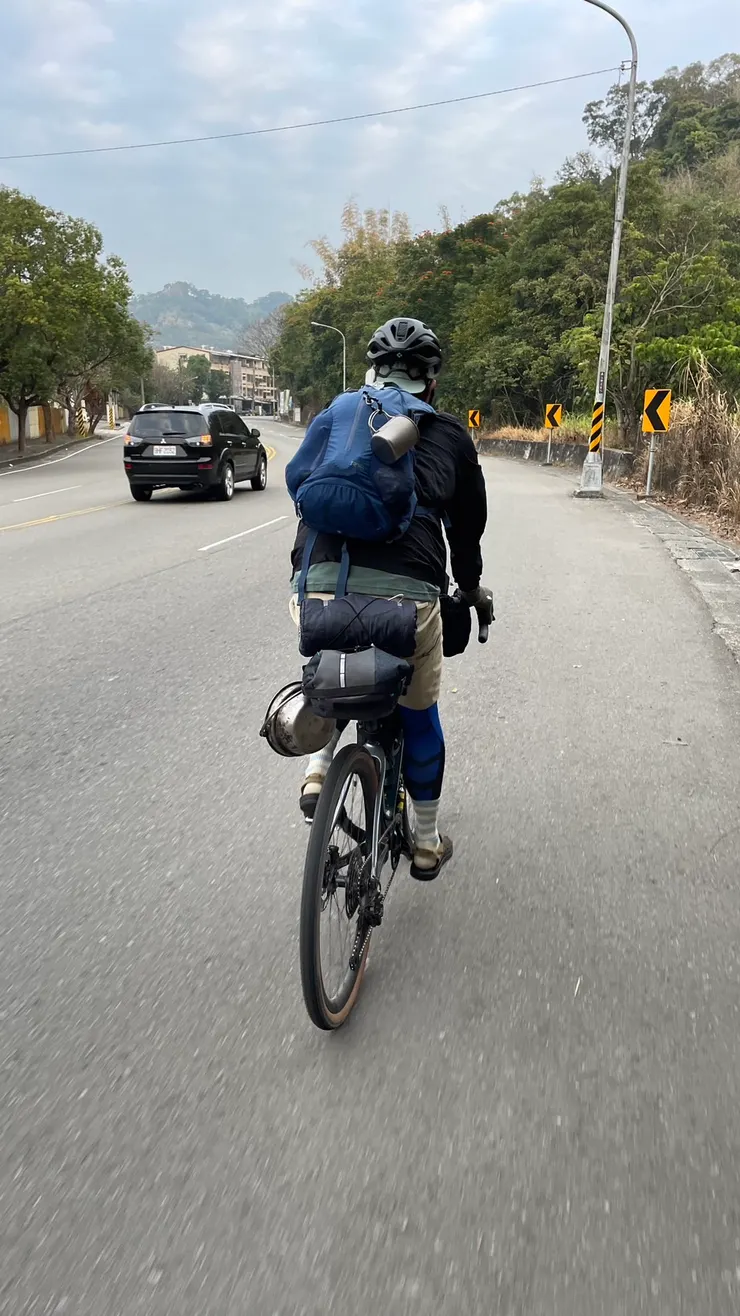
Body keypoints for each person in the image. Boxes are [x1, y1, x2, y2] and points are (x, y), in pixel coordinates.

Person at [288, 316, 490, 880]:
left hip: (318, 587)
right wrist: (471, 589)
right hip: (409, 600)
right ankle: (425, 842)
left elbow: (299, 487)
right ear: (431, 379)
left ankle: (317, 767)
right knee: (419, 712)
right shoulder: (449, 434)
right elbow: (466, 532)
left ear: (373, 371)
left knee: (332, 666)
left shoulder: (337, 416)